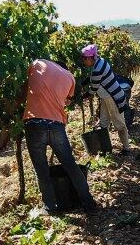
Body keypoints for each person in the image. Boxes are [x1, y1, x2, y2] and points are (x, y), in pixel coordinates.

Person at [21, 59, 97, 214]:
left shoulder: (38, 64)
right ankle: (88, 202)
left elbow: (26, 87)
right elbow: (66, 102)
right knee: (70, 165)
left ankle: (50, 207)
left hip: (34, 124)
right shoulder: (70, 77)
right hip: (56, 125)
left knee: (41, 169)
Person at [81, 44, 131, 155]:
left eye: (84, 59)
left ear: (90, 57)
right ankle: (105, 148)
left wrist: (84, 96)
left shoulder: (97, 68)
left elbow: (93, 88)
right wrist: (87, 80)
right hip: (105, 97)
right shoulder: (101, 61)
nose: (83, 61)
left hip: (113, 97)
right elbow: (97, 78)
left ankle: (126, 148)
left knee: (119, 123)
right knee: (104, 121)